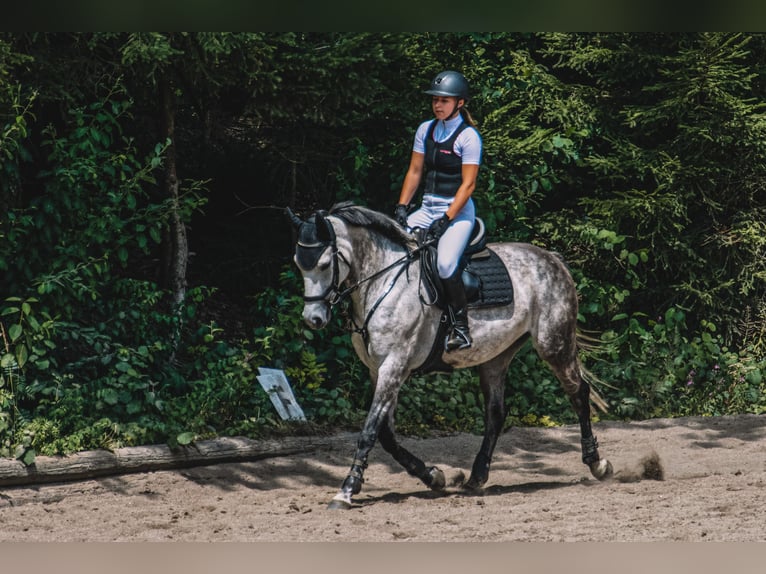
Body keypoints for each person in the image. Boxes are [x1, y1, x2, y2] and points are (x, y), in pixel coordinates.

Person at [394, 70, 482, 352]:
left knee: (445, 263)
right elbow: (415, 171)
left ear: (460, 103)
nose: (437, 105)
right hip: (427, 206)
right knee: (391, 245)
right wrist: (402, 207)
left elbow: (468, 186)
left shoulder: (468, 137)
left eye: (444, 100)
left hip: (457, 212)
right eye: (435, 100)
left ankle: (460, 328)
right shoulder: (425, 129)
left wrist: (446, 219)